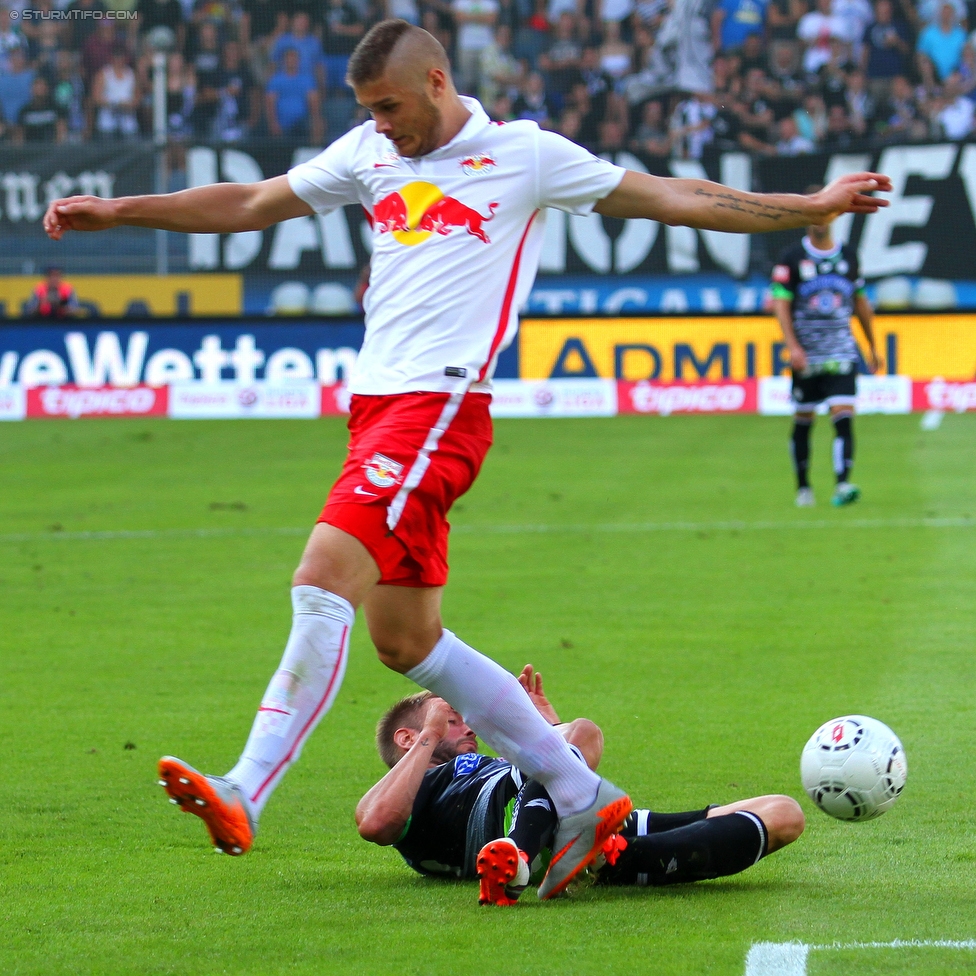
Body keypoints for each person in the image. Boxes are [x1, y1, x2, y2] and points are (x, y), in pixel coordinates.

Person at [43, 19, 889, 901]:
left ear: (438, 82)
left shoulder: (523, 156)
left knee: (322, 577)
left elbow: (672, 196)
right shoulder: (369, 152)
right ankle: (578, 794)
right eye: (367, 110)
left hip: (438, 406)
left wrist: (812, 208)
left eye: (391, 107)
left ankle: (245, 788)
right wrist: (119, 209)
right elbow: (254, 203)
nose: (381, 125)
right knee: (405, 641)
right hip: (376, 413)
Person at [356, 667, 805, 903]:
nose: (468, 727)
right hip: (506, 818)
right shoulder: (420, 785)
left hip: (576, 821)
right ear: (407, 738)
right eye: (453, 720)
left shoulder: (485, 763)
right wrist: (433, 736)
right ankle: (523, 853)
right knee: (583, 732)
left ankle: (593, 859)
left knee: (785, 814)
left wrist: (540, 726)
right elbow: (377, 824)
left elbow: (553, 776)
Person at [770, 190, 881, 508]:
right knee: (804, 419)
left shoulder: (849, 256)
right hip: (807, 354)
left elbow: (860, 303)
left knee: (844, 416)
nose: (819, 217)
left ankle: (842, 485)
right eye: (813, 211)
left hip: (843, 351)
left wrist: (872, 345)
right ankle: (803, 487)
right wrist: (792, 346)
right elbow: (781, 303)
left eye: (825, 211)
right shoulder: (791, 257)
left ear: (835, 215)